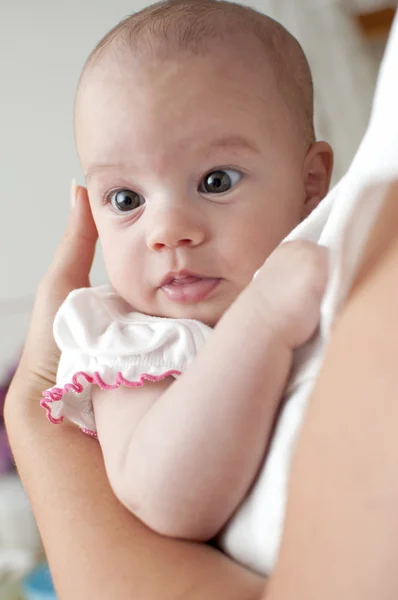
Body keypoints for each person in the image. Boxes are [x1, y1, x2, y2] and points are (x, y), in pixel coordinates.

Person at [5, 1, 398, 598]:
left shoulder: (324, 260)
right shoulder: (131, 339)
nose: (166, 229)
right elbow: (166, 497)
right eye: (126, 199)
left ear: (311, 183)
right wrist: (261, 322)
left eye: (216, 182)